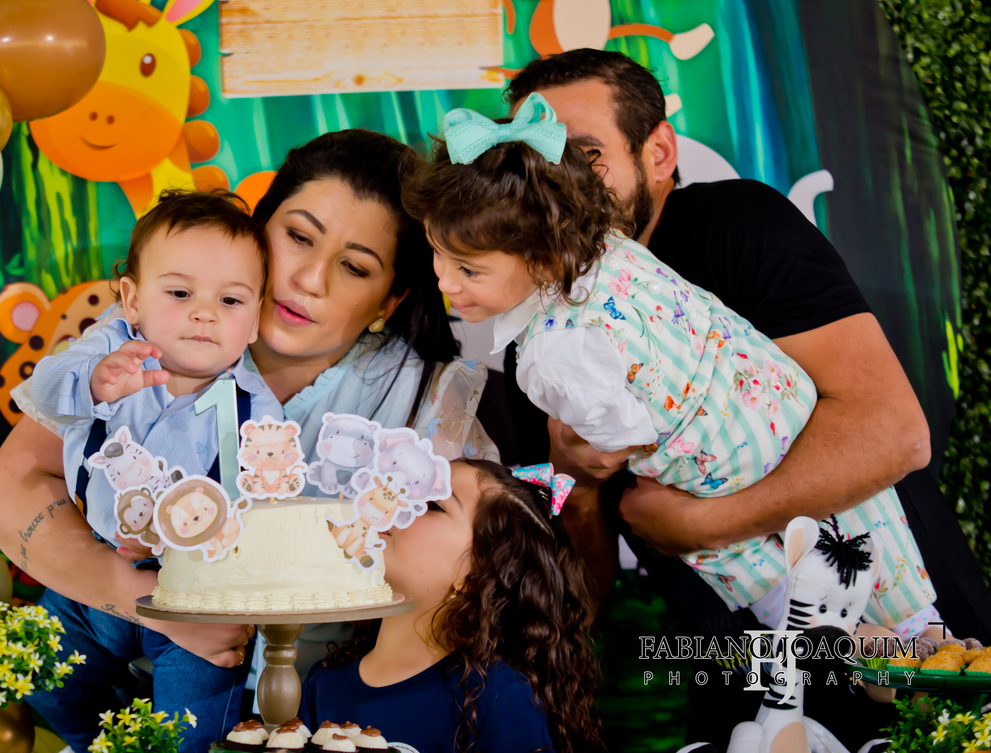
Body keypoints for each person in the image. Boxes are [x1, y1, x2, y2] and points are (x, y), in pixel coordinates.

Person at [499, 49, 991, 744]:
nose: (556, 180)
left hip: (916, 633)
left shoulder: (732, 224)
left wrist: (704, 524)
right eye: (533, 158)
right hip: (741, 680)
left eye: (584, 153)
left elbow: (892, 433)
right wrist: (577, 482)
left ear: (658, 153)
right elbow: (584, 597)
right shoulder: (538, 331)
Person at [0, 129, 499, 753]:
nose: (309, 278)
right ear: (257, 228)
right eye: (298, 236)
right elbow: (7, 496)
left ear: (389, 299)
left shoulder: (424, 402)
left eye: (355, 267)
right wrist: (152, 601)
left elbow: (461, 585)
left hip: (321, 715)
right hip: (127, 662)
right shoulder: (154, 328)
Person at [404, 93, 936, 635]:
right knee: (863, 526)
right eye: (437, 253)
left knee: (740, 562)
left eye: (468, 269)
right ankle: (921, 625)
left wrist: (583, 446)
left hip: (717, 467)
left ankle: (844, 641)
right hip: (779, 401)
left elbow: (617, 440)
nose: (444, 280)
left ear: (542, 262)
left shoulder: (549, 354)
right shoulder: (607, 247)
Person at [28, 190, 281, 550]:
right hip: (87, 552)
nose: (205, 313)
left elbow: (264, 508)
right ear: (132, 301)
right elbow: (45, 392)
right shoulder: (110, 350)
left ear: (254, 320)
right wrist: (92, 384)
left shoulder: (258, 410)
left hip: (194, 572)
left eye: (230, 300)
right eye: (180, 293)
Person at [300, 460, 601, 753]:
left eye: (433, 505)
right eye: (409, 490)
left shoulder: (497, 698)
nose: (396, 504)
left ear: (480, 573)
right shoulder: (323, 682)